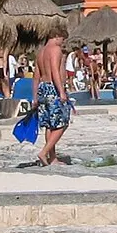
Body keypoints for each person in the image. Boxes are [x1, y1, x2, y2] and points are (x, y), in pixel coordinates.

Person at [33, 28, 72, 165]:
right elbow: (55, 71)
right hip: (53, 88)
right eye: (62, 39)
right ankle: (44, 152)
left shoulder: (41, 52)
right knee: (62, 123)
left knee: (50, 125)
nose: (63, 43)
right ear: (56, 36)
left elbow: (36, 76)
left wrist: (35, 96)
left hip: (43, 88)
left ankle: (52, 157)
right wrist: (61, 91)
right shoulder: (55, 50)